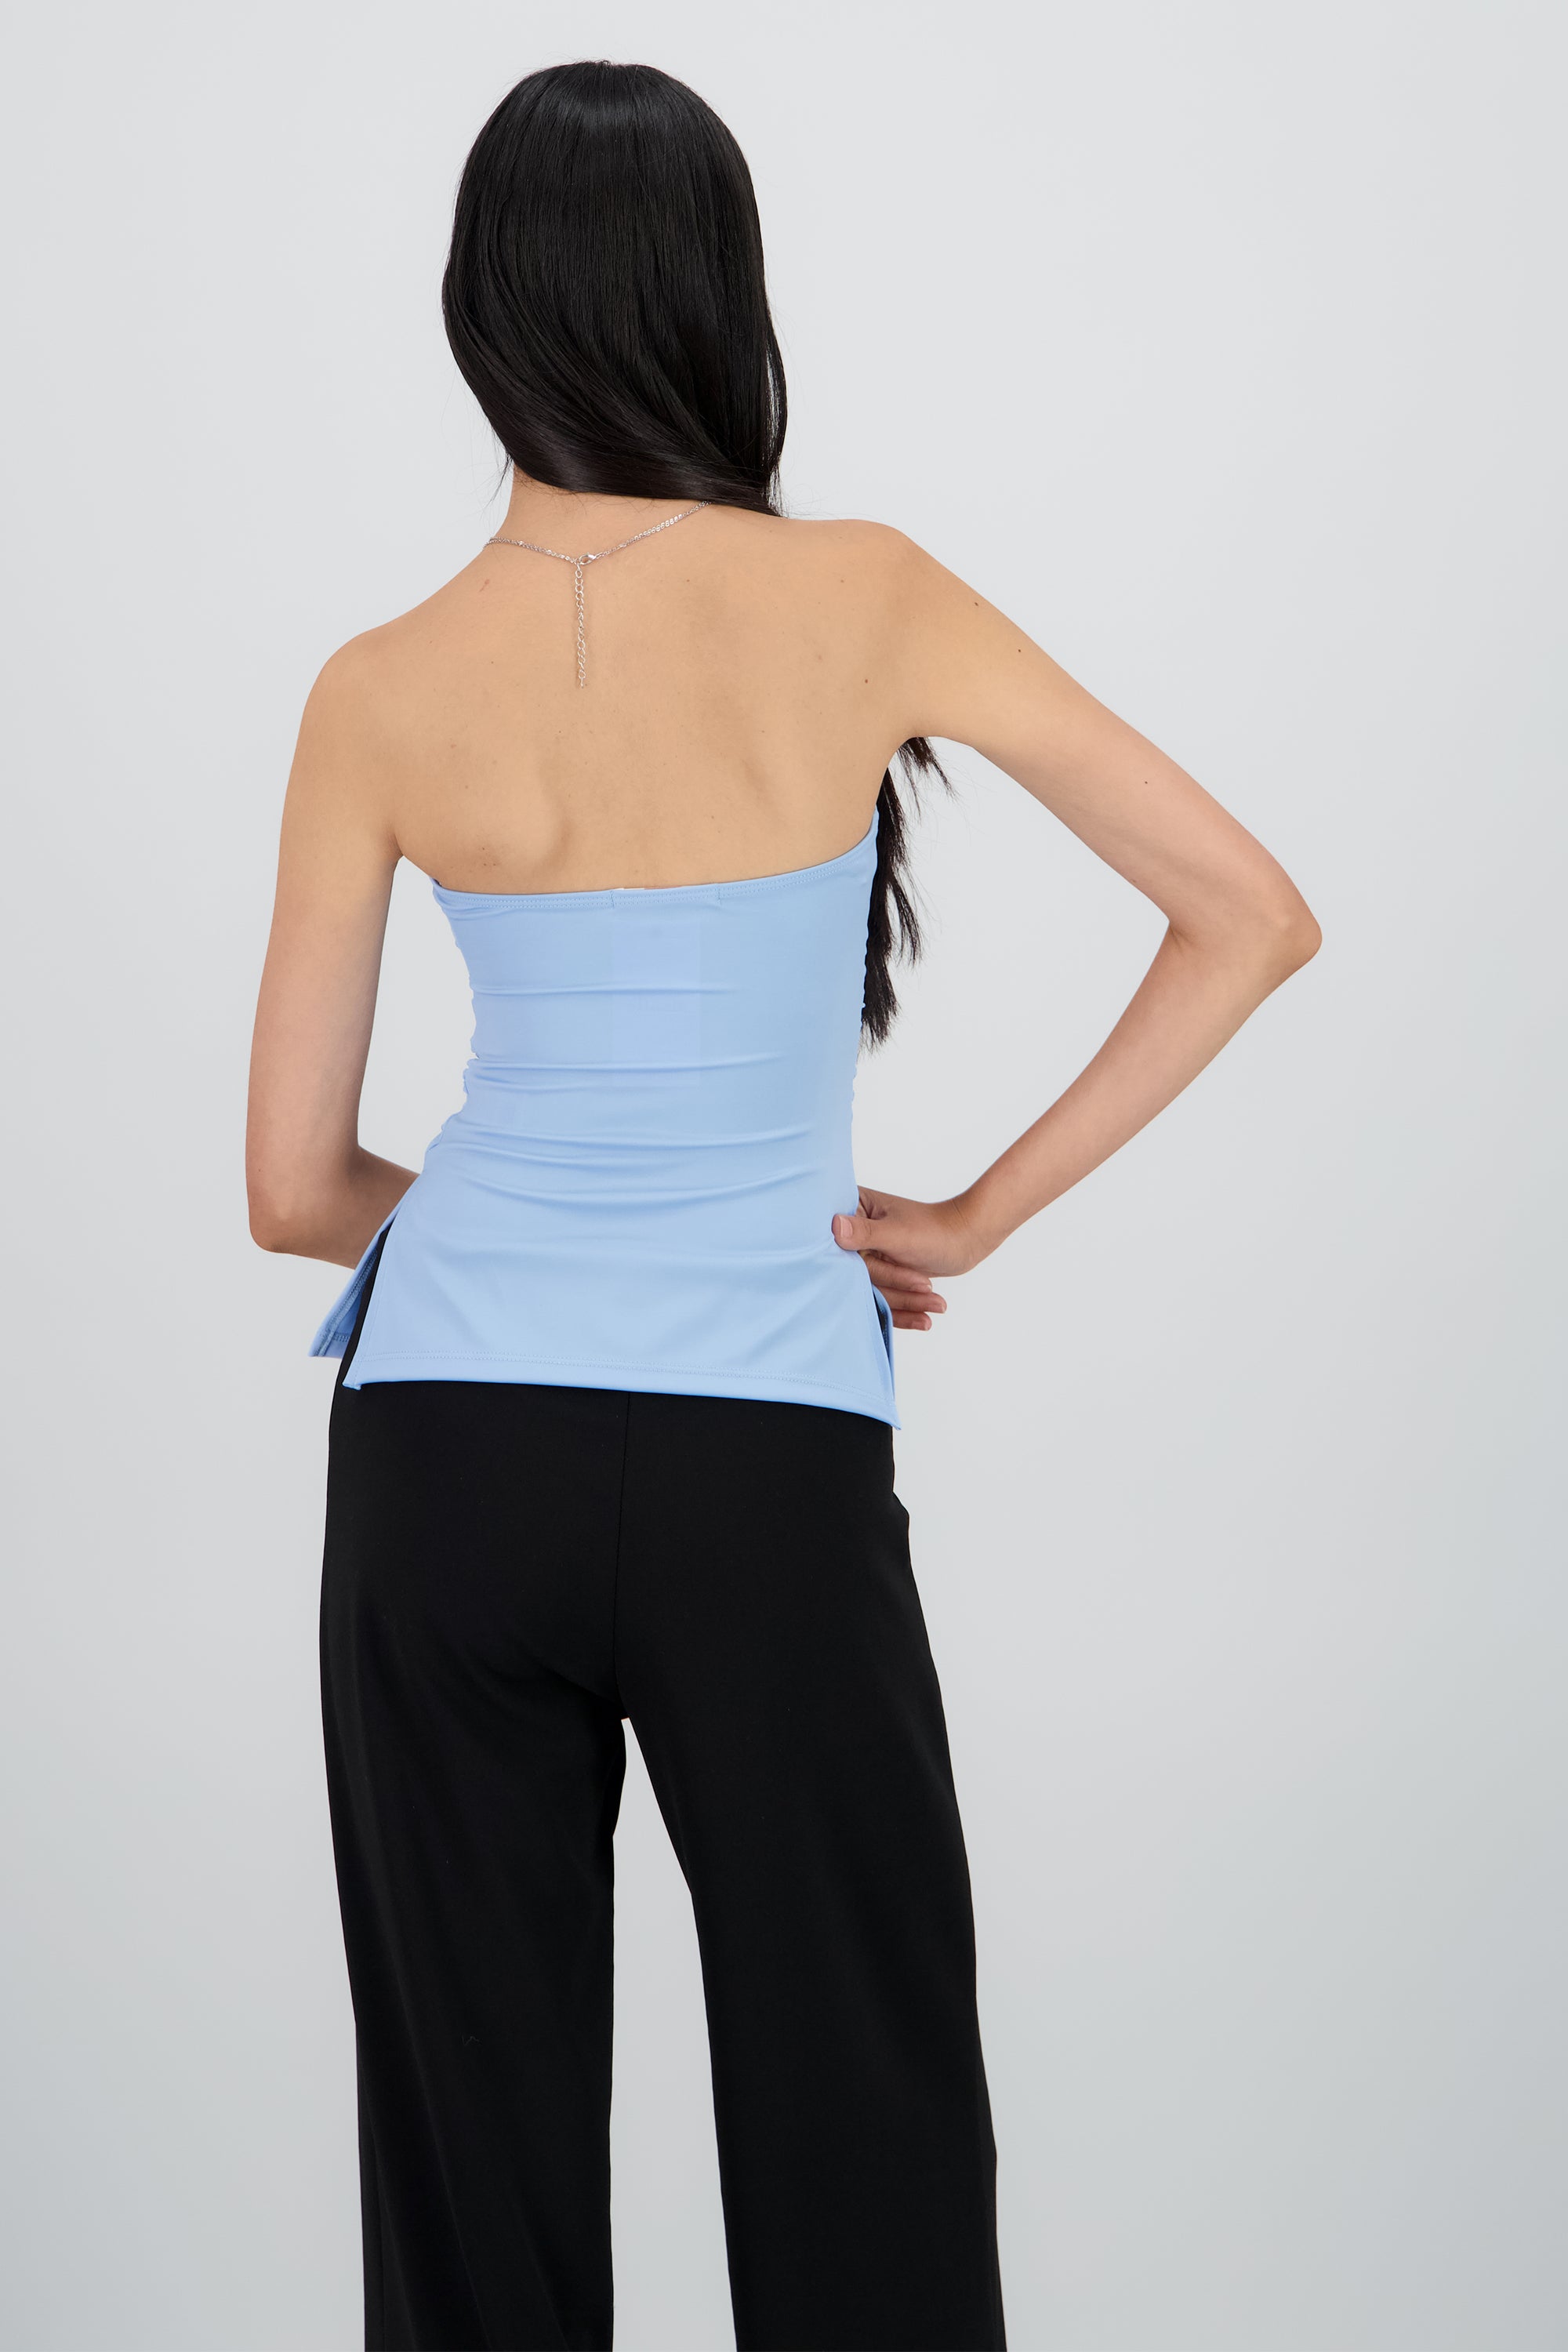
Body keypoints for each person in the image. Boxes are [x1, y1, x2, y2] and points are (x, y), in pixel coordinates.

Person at [246, 57, 1319, 2352]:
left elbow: (288, 1187)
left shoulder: (376, 685)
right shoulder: (865, 600)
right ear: (719, 294)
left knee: (468, 2164)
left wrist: (536, 1226)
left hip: (445, 1457)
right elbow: (1248, 913)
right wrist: (978, 1214)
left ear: (479, 307)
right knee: (867, 2125)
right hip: (766, 1447)